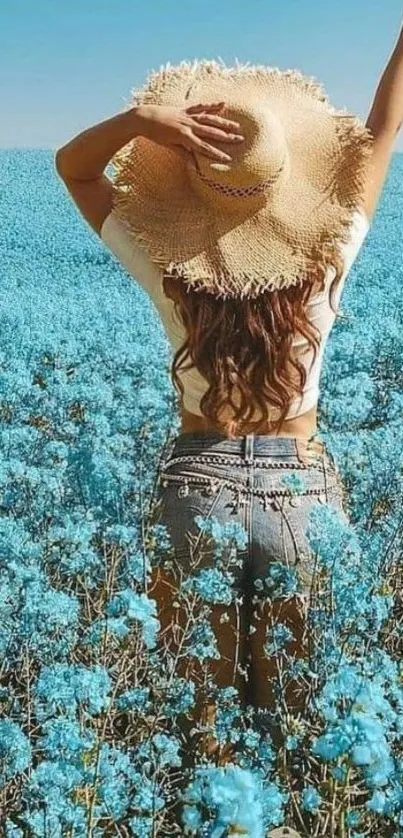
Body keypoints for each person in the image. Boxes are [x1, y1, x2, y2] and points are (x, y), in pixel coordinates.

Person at [55, 22, 403, 830]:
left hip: (196, 486)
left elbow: (72, 168)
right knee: (299, 723)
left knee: (201, 721)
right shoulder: (330, 251)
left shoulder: (169, 270)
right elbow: (385, 128)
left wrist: (142, 123)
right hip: (302, 491)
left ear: (191, 196)